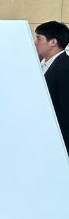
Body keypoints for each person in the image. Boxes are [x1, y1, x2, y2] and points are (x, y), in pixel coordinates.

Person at [34, 20, 69, 153]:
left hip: (59, 141)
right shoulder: (43, 64)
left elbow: (65, 110)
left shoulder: (64, 68)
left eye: (39, 39)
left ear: (53, 42)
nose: (35, 42)